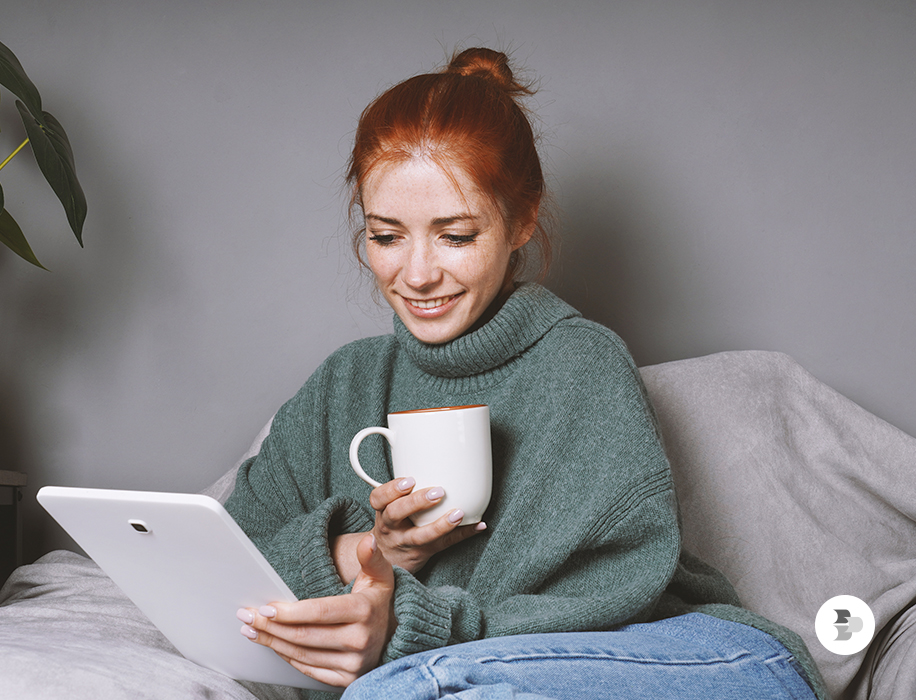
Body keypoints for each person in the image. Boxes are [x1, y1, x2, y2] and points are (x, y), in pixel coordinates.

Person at [224, 48, 827, 700]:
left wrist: (400, 623)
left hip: (699, 658)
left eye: (454, 235)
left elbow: (608, 596)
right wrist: (375, 553)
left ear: (522, 220)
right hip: (461, 677)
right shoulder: (345, 386)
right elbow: (226, 566)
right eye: (387, 236)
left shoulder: (580, 365)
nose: (418, 273)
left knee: (395, 692)